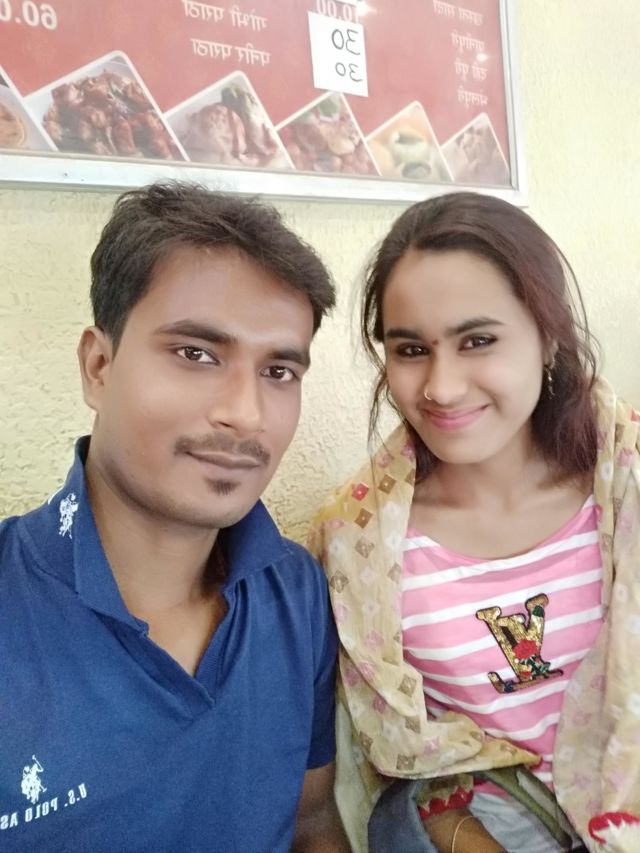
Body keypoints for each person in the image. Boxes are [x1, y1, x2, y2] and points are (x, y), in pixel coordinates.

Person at [0, 182, 349, 852]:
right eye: (196, 354)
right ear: (99, 366)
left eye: (279, 371)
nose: (245, 414)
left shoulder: (295, 589)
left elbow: (309, 821)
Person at [309, 192, 640, 853]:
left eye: (478, 340)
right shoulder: (358, 543)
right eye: (412, 349)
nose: (442, 386)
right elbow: (398, 761)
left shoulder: (626, 486)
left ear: (548, 336)